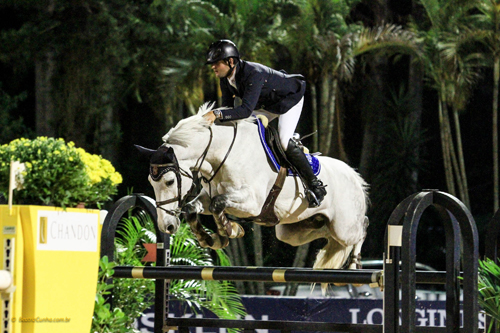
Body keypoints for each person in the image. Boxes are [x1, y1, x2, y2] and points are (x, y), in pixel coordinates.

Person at [203, 39, 327, 208]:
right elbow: (227, 109)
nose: (213, 67)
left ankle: (315, 185)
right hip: (265, 105)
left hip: (288, 99)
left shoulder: (253, 73)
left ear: (230, 61)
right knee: (242, 129)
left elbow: (244, 111)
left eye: (216, 63)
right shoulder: (225, 78)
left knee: (283, 141)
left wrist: (216, 113)